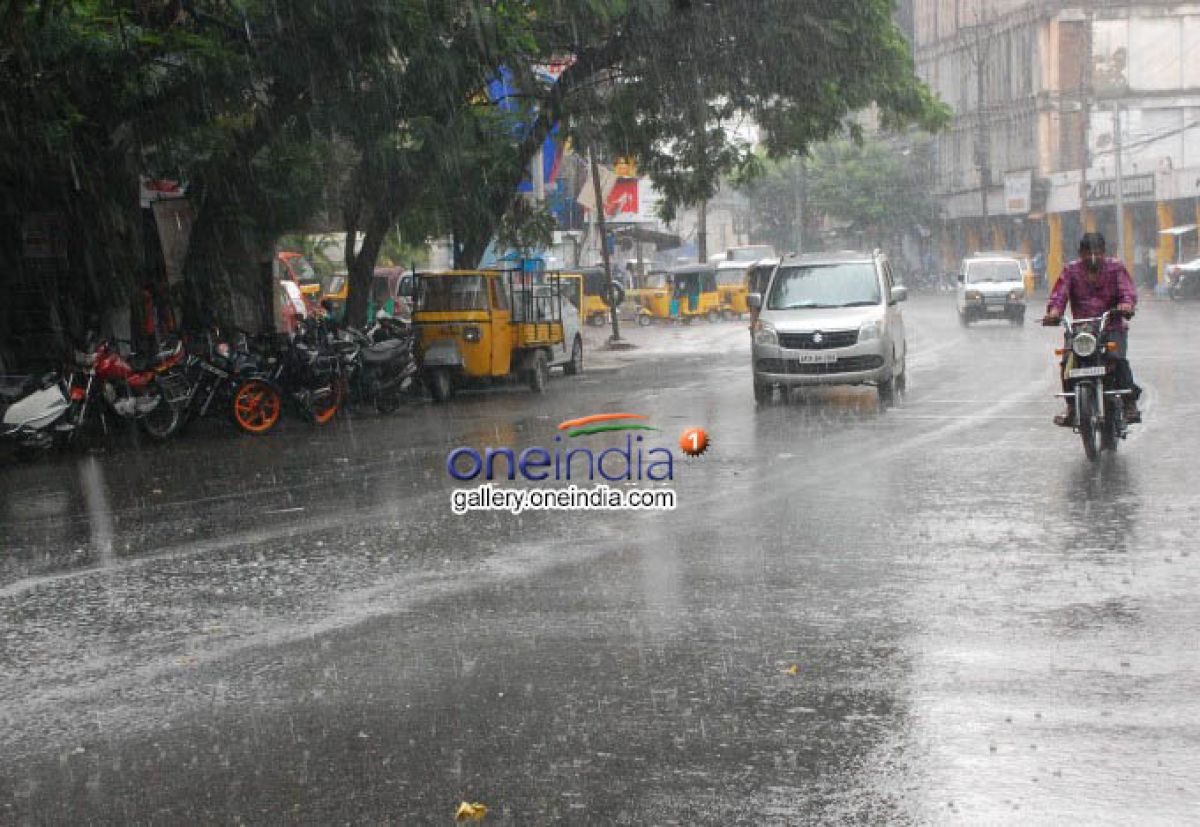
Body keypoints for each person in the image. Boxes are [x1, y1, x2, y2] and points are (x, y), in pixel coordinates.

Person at [1044, 232, 1141, 426]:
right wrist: (1054, 312)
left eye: (1096, 252)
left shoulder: (1116, 268)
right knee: (1067, 364)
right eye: (1088, 252)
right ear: (1081, 253)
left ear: (1104, 252)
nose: (1092, 256)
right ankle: (1072, 407)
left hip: (1110, 326)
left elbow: (1127, 292)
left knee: (1118, 359)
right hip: (1081, 330)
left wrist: (1125, 306)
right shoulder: (1070, 271)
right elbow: (1059, 296)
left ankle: (1129, 403)